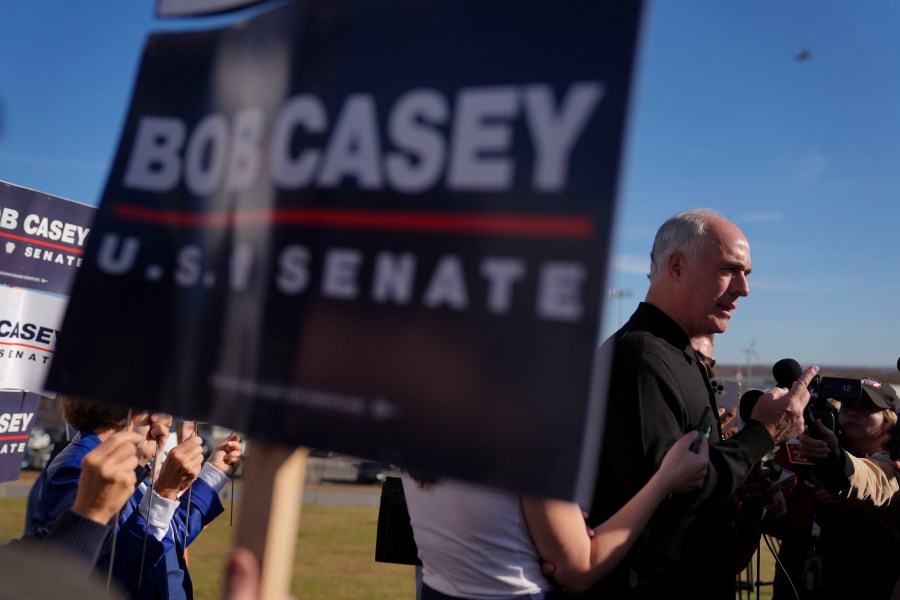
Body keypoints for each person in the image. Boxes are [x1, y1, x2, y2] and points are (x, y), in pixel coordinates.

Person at [587, 208, 818, 598]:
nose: (744, 289)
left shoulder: (676, 354)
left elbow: (692, 474)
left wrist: (742, 484)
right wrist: (763, 434)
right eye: (730, 269)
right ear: (676, 266)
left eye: (747, 275)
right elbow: (665, 495)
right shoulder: (641, 356)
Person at [402, 431, 709, 599]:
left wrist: (552, 532)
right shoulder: (523, 439)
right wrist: (665, 479)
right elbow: (579, 570)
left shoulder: (415, 427)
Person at [28, 394, 242, 599]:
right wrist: (164, 492)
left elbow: (166, 535)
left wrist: (213, 474)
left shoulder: (122, 459)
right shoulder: (81, 467)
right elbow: (103, 576)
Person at [783, 378, 900, 598]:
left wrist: (853, 503)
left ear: (889, 420)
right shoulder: (812, 450)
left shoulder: (894, 465)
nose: (853, 413)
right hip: (798, 584)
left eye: (866, 408)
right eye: (847, 406)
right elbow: (784, 526)